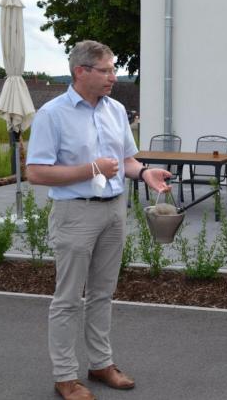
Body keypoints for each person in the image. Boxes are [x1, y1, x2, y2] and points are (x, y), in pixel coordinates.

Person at [26, 40, 173, 400]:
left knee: (103, 294)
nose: (113, 77)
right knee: (67, 299)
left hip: (113, 210)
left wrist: (145, 174)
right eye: (106, 70)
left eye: (113, 69)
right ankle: (64, 376)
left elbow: (126, 160)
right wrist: (89, 169)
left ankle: (100, 363)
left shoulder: (117, 109)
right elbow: (36, 173)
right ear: (81, 72)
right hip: (75, 213)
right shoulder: (52, 114)